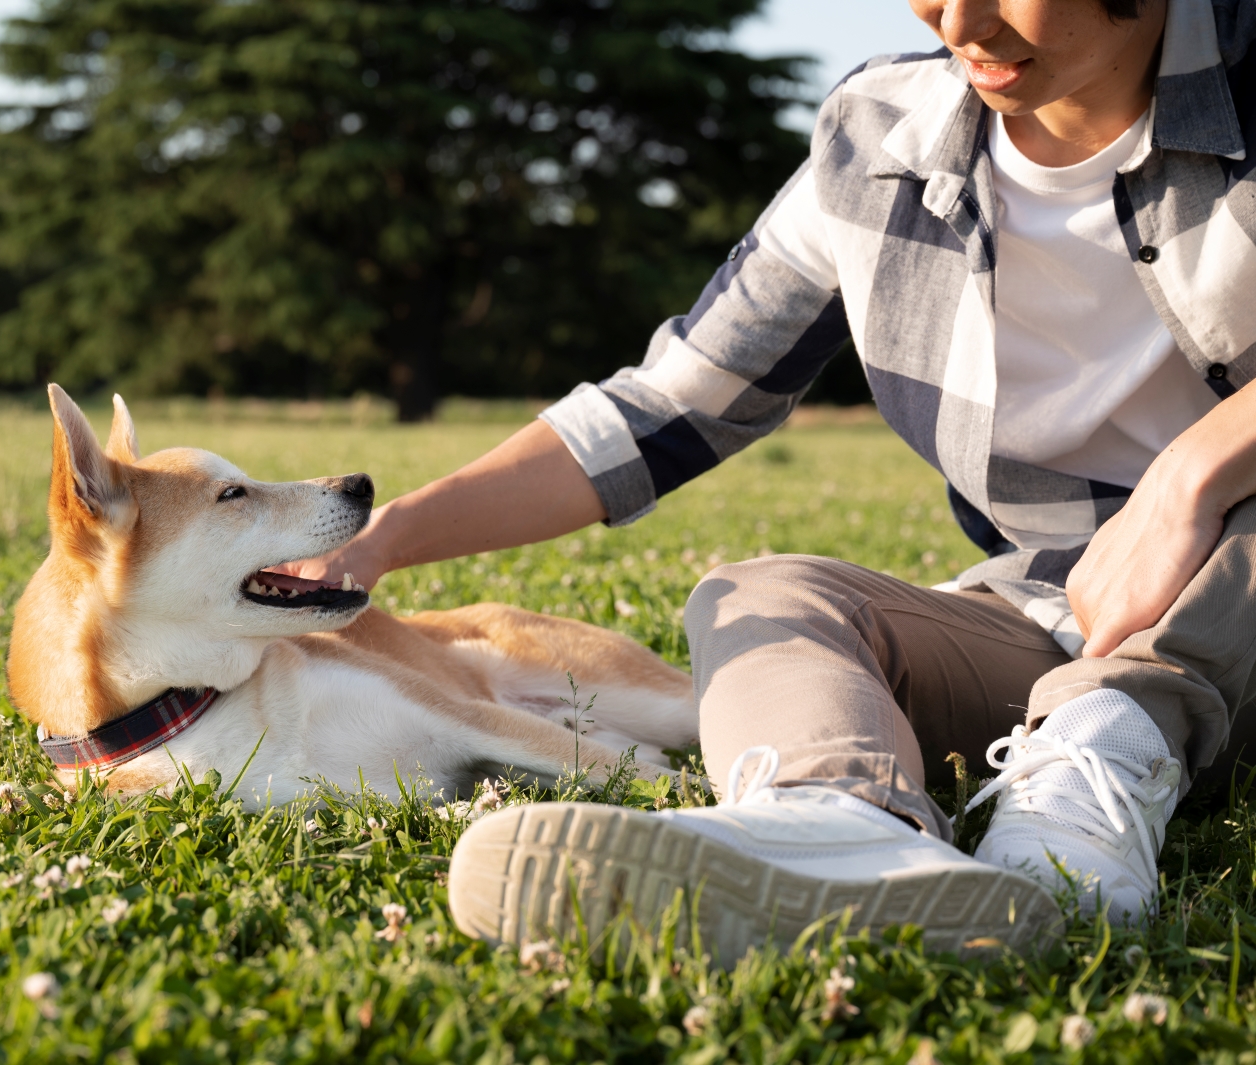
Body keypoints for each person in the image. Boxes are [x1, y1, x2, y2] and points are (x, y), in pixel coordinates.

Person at [292, 0, 1256, 946]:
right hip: (1056, 612)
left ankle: (1095, 772)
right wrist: (386, 538)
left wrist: (1194, 474)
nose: (959, 23)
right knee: (761, 596)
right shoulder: (881, 137)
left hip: (1232, 618)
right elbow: (671, 404)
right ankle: (841, 825)